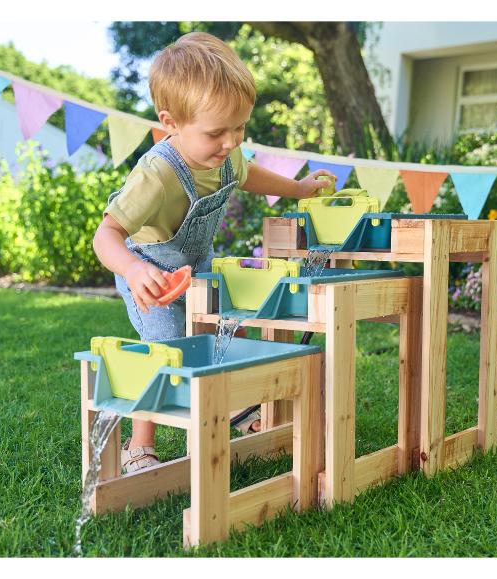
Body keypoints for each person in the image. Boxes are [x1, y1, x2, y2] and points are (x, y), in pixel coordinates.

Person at [93, 31, 335, 473]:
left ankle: (242, 416)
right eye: (216, 132)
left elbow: (251, 175)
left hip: (196, 265)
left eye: (239, 128)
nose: (231, 142)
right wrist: (131, 270)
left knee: (231, 331)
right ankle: (139, 446)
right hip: (151, 273)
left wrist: (298, 189)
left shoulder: (226, 157)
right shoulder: (158, 173)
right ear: (171, 123)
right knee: (166, 348)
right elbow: (105, 235)